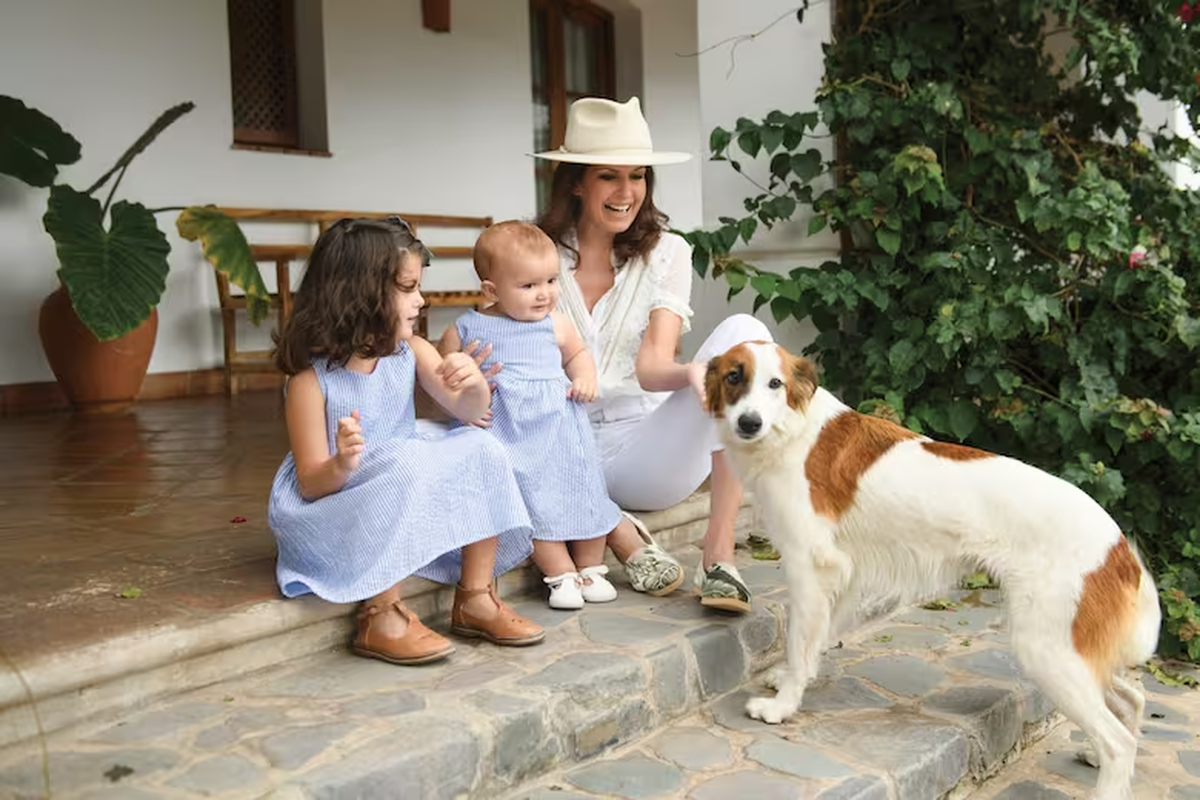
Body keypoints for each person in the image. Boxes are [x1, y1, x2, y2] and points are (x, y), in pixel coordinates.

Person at [531, 96, 774, 613]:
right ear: (576, 181)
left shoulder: (668, 251)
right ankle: (616, 528)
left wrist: (690, 372)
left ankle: (720, 555)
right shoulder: (537, 252)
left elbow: (651, 366)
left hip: (644, 451)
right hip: (561, 451)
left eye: (638, 176)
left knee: (744, 331)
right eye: (609, 177)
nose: (627, 193)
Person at [267, 216, 544, 667]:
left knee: (482, 446)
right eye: (408, 288)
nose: (421, 300)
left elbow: (472, 414)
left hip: (400, 476)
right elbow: (312, 484)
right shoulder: (309, 382)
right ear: (361, 294)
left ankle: (475, 596)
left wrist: (472, 383)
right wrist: (342, 462)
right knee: (405, 459)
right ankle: (380, 613)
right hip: (330, 509)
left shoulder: (409, 350)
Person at [441, 220, 638, 610]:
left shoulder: (556, 324)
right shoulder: (466, 328)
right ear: (491, 290)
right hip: (511, 434)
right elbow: (444, 378)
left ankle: (591, 567)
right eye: (529, 286)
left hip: (562, 431)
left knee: (584, 493)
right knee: (535, 502)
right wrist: (461, 390)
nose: (544, 294)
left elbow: (578, 355)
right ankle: (560, 574)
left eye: (550, 281)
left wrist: (584, 377)